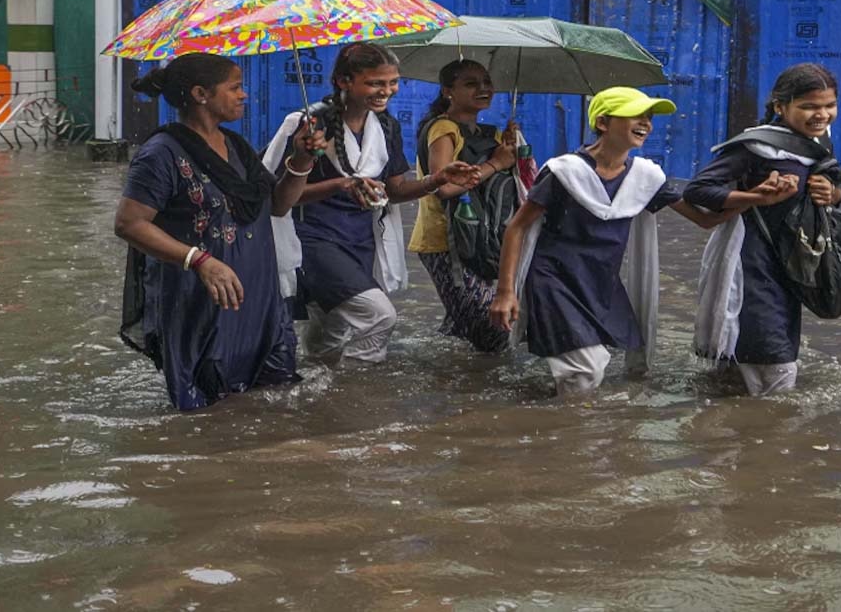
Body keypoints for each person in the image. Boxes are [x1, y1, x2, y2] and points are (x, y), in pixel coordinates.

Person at [114, 53, 325, 411]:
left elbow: (277, 205)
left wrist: (302, 159)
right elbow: (129, 224)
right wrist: (199, 261)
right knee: (209, 410)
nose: (245, 95)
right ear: (201, 94)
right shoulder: (160, 155)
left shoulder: (236, 146)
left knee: (274, 400)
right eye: (236, 88)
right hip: (203, 301)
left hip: (258, 296)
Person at [489, 87, 723, 396]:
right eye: (636, 116)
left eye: (649, 118)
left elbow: (704, 219)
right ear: (603, 123)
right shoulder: (565, 172)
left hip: (600, 283)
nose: (646, 124)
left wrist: (755, 197)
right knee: (587, 367)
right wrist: (506, 293)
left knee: (589, 368)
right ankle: (573, 436)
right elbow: (516, 228)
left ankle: (561, 425)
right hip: (555, 280)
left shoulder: (645, 178)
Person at [265, 43, 481, 366]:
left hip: (360, 241)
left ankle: (315, 406)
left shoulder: (386, 127)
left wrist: (438, 179)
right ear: (344, 82)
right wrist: (341, 182)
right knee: (380, 316)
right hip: (314, 241)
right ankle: (354, 397)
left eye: (392, 82)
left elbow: (395, 189)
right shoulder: (311, 126)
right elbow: (282, 197)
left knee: (330, 335)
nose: (387, 91)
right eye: (376, 83)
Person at [683, 62, 841, 397]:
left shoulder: (817, 145)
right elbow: (698, 190)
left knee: (760, 352)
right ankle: (771, 438)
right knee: (775, 364)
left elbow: (836, 184)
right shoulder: (755, 147)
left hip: (792, 264)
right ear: (780, 107)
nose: (822, 114)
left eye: (829, 105)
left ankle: (735, 429)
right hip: (751, 262)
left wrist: (834, 193)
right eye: (809, 107)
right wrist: (755, 196)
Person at [408, 60, 520, 353]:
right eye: (471, 84)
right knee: (492, 328)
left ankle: (450, 377)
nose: (483, 89)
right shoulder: (443, 129)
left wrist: (511, 149)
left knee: (468, 328)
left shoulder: (491, 134)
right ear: (448, 91)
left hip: (482, 240)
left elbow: (506, 187)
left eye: (486, 82)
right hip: (445, 243)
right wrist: (496, 162)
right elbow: (444, 187)